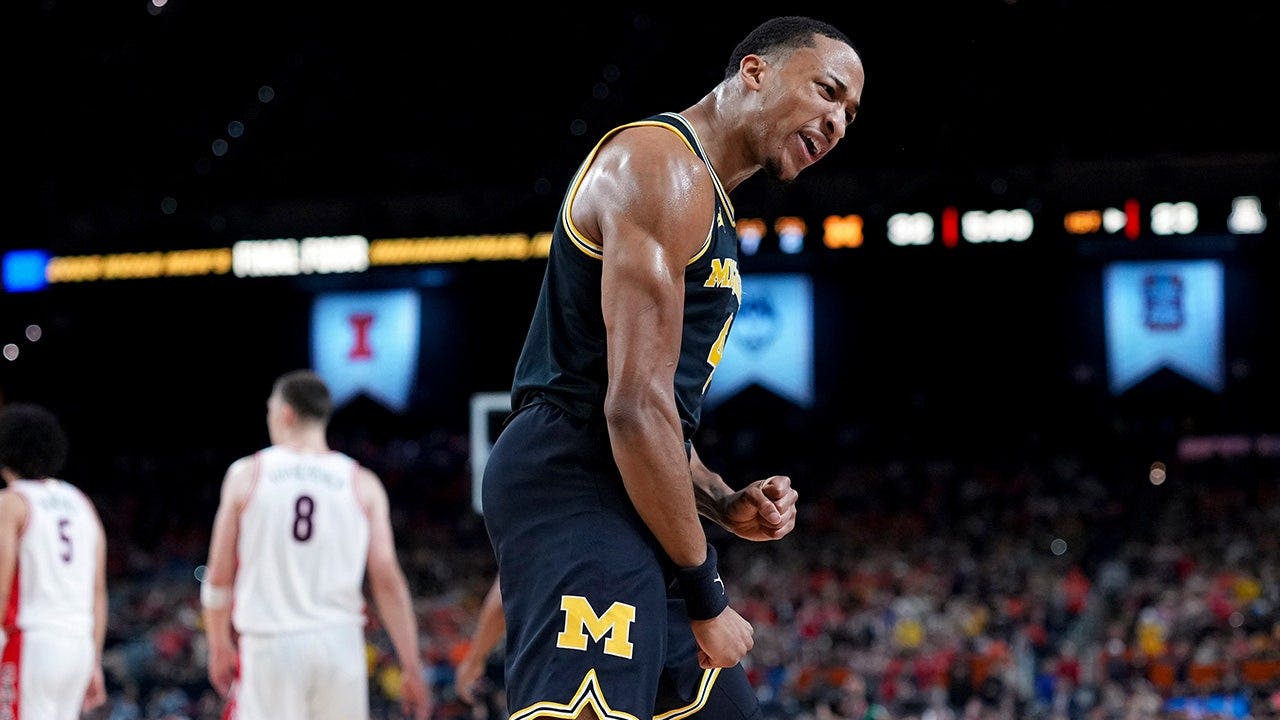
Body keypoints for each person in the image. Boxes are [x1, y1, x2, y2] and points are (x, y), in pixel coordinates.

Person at [480, 14, 864, 719]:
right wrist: (706, 595)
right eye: (827, 91)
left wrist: (721, 500)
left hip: (627, 491)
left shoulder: (707, 199)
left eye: (850, 113)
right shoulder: (660, 165)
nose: (838, 122)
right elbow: (632, 409)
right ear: (755, 72)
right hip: (575, 482)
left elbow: (658, 420)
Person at [201, 369, 432, 720]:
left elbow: (218, 575)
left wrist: (218, 644)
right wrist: (411, 666)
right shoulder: (362, 482)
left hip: (270, 645)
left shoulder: (247, 474)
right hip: (340, 645)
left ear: (285, 413)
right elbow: (387, 579)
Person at [0, 402, 108, 720]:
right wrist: (94, 661)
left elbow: (1, 585)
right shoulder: (82, 503)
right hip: (78, 645)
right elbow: (98, 592)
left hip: (31, 642)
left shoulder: (11, 502)